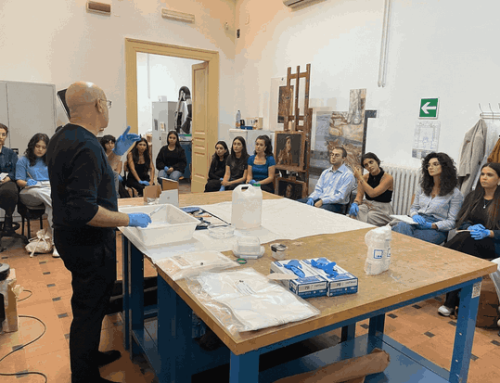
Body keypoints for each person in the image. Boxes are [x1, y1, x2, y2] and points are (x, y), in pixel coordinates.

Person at [46, 81, 151, 383]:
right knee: (89, 308)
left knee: (91, 302)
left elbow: (99, 176)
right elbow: (85, 209)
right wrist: (128, 220)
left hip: (71, 239)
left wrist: (117, 153)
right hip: (88, 243)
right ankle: (84, 375)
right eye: (107, 102)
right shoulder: (86, 144)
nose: (107, 108)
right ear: (98, 105)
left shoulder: (65, 137)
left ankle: (89, 356)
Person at [438, 163, 500, 317]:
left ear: (499, 180)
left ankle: (440, 257)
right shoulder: (474, 195)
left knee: (465, 241)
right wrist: (470, 226)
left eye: (489, 175)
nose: (484, 178)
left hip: (495, 243)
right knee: (467, 246)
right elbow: (462, 221)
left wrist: (489, 232)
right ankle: (453, 301)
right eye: (483, 174)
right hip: (471, 242)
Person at [392, 152, 463, 245]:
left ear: (445, 167)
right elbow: (414, 207)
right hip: (417, 221)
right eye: (428, 165)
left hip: (436, 228)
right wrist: (414, 215)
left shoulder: (455, 193)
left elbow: (452, 222)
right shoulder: (422, 187)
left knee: (400, 233)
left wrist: (432, 225)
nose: (430, 167)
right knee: (402, 226)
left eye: (435, 164)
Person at [16, 133, 60, 257]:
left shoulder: (50, 160)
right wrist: (28, 182)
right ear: (32, 146)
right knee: (49, 197)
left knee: (53, 207)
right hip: (29, 192)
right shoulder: (23, 160)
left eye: (43, 147)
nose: (40, 149)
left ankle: (57, 244)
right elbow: (19, 181)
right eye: (37, 146)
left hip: (47, 191)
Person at [298, 147, 356, 213]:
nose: (333, 157)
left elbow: (341, 196)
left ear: (344, 158)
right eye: (332, 154)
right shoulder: (325, 172)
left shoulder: (348, 175)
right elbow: (318, 190)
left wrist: (323, 201)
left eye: (337, 155)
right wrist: (311, 198)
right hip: (320, 200)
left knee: (317, 212)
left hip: (337, 205)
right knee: (296, 204)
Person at [349, 152, 394, 226]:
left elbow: (372, 193)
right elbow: (359, 196)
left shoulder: (388, 178)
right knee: (357, 211)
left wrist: (360, 177)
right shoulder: (364, 177)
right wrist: (355, 203)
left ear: (377, 161)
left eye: (371, 162)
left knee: (370, 216)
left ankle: (366, 234)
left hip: (383, 209)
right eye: (366, 165)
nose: (369, 166)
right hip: (368, 205)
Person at [0, 123, 19, 233]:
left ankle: (8, 217)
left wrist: (8, 178)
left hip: (7, 182)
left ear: (6, 136)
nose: (0, 137)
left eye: (3, 134)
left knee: (10, 191)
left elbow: (16, 170)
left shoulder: (10, 153)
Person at [100, 134, 128, 199]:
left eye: (112, 143)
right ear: (103, 144)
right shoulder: (101, 154)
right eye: (107, 143)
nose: (110, 145)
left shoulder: (117, 154)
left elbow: (118, 170)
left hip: (115, 174)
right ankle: (119, 196)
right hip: (104, 173)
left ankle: (118, 195)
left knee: (117, 177)